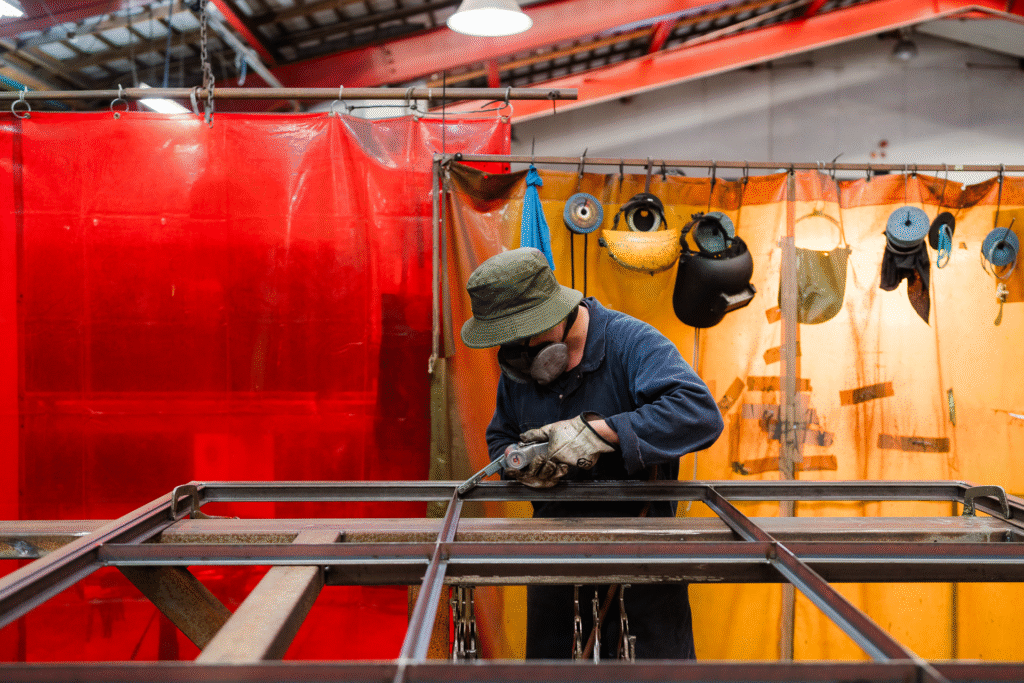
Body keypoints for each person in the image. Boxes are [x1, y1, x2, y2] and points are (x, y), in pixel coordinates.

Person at [460, 246, 724, 660]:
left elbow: (699, 413)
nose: (516, 353)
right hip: (554, 562)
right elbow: (501, 438)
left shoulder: (631, 343)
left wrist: (597, 432)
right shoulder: (521, 366)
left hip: (643, 560)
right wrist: (521, 463)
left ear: (555, 314)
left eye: (521, 335)